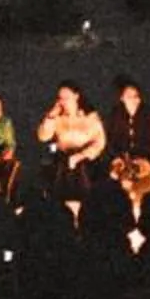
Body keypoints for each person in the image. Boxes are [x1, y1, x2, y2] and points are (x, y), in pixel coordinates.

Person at [36, 79, 107, 219]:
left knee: (81, 169)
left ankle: (85, 207)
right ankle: (60, 208)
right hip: (62, 156)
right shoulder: (57, 118)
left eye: (66, 97)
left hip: (85, 158)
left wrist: (81, 155)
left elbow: (100, 142)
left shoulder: (89, 117)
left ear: (76, 96)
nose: (63, 101)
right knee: (55, 160)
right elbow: (43, 137)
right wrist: (51, 116)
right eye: (60, 98)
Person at [104, 76, 150, 246]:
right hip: (121, 160)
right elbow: (110, 141)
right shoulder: (114, 114)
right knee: (120, 188)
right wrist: (118, 158)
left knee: (143, 190)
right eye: (129, 96)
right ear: (122, 98)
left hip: (143, 161)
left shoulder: (148, 113)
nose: (134, 99)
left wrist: (143, 160)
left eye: (136, 96)